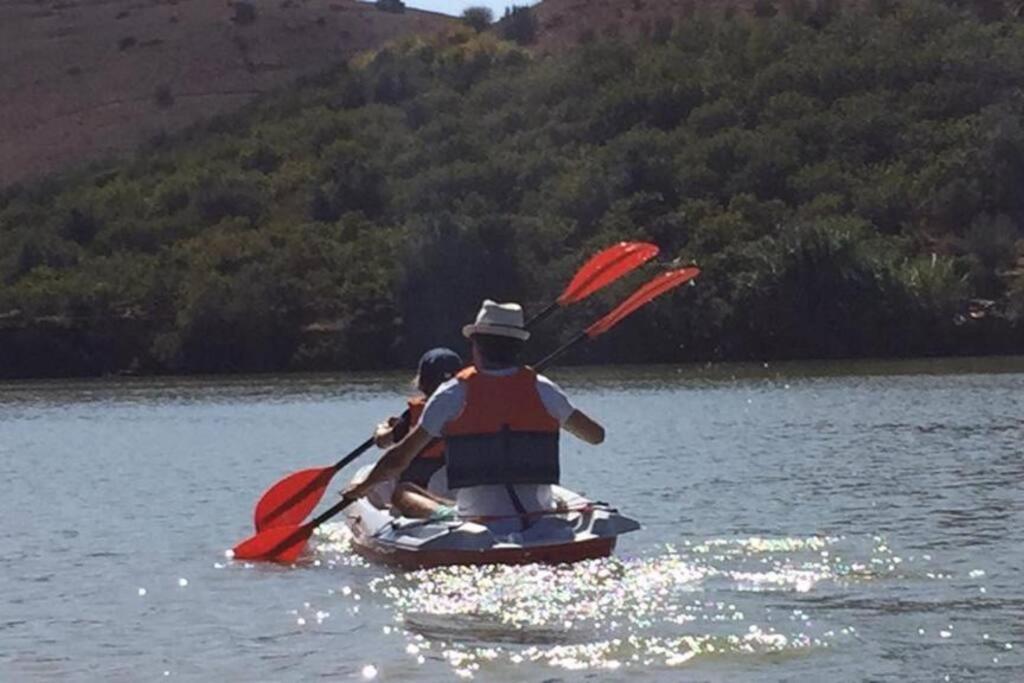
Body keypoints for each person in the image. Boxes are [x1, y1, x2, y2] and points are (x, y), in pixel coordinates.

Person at [345, 300, 605, 530]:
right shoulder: (543, 388)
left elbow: (397, 460)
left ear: (476, 346)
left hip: (476, 520)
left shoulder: (453, 393)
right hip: (537, 514)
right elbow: (596, 436)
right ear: (518, 347)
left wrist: (360, 489)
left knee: (404, 492)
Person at [371, 347, 462, 518]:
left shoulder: (416, 414)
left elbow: (383, 441)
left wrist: (381, 428)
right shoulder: (468, 410)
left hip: (419, 490)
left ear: (422, 382)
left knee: (370, 480)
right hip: (457, 485)